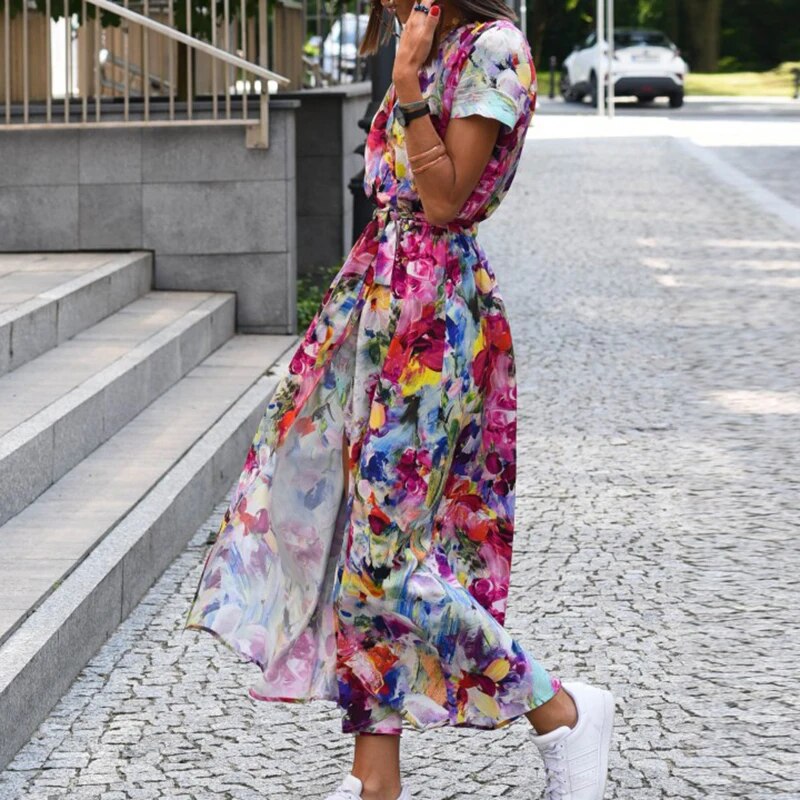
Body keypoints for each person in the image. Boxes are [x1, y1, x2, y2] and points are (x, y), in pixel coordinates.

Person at [183, 0, 615, 796]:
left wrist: (410, 83)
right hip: (378, 304)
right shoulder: (431, 40)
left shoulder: (493, 49)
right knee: (357, 546)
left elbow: (444, 201)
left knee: (384, 560)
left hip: (434, 321)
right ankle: (373, 776)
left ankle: (560, 707)